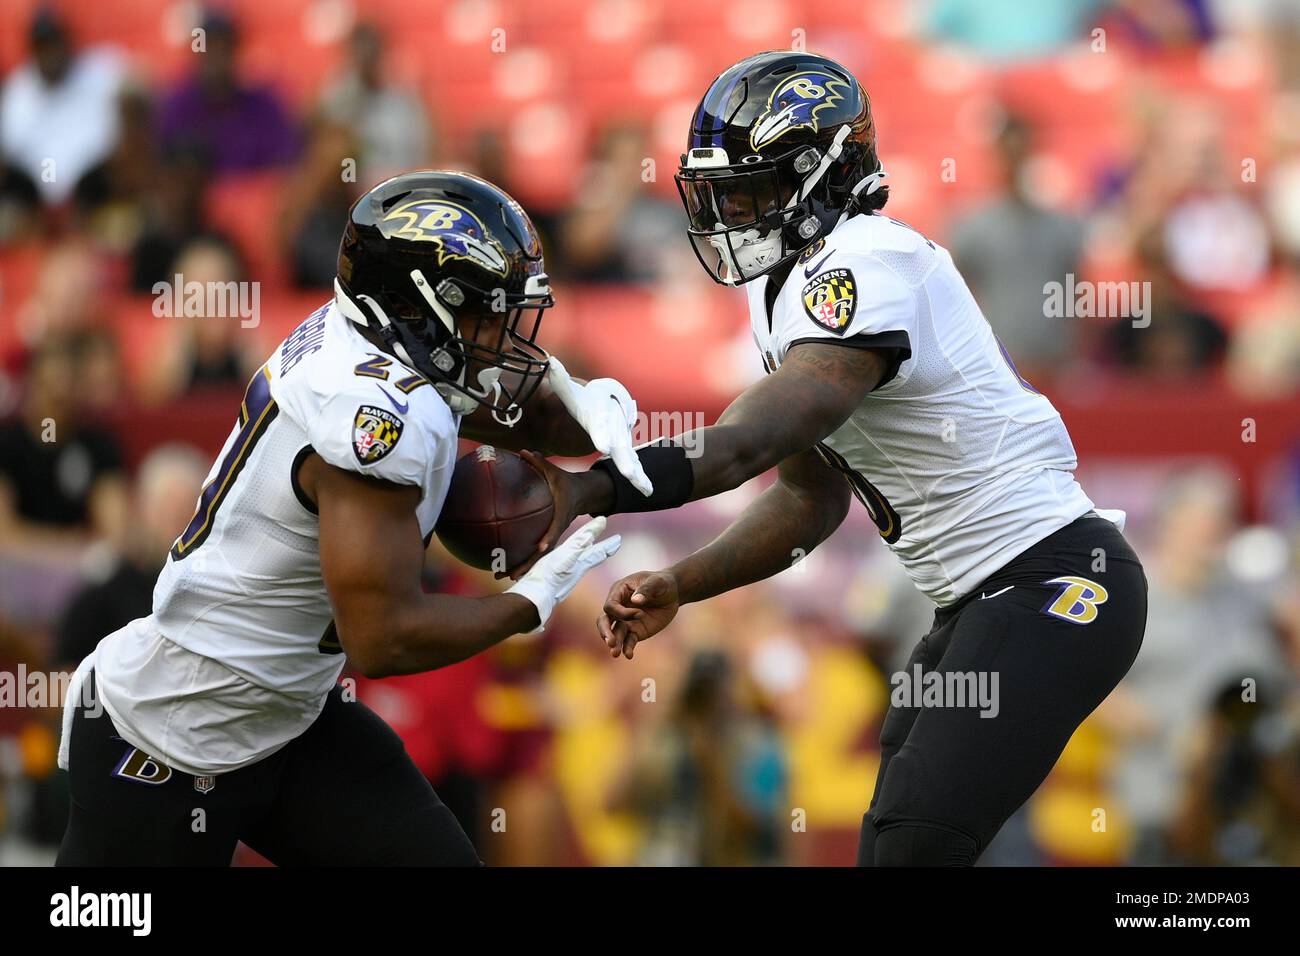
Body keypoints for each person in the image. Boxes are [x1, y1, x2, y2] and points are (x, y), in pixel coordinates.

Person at [525, 51, 1149, 866]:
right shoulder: (781, 288)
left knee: (916, 842)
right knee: (890, 845)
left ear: (825, 175)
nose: (734, 212)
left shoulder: (867, 261)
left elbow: (757, 436)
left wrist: (596, 488)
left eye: (754, 189)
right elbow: (808, 501)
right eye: (724, 192)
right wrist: (686, 582)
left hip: (1055, 580)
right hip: (974, 599)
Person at [55, 170, 650, 866]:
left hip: (286, 721)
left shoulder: (372, 339)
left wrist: (574, 393)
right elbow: (382, 640)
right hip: (171, 736)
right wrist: (528, 603)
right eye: (485, 310)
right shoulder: (368, 416)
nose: (502, 332)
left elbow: (473, 388)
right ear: (420, 308)